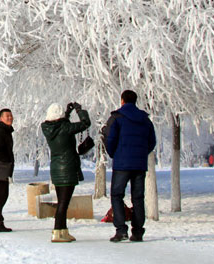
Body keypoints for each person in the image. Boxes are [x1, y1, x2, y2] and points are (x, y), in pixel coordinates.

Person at [102, 89, 157, 243]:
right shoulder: (145, 120)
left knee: (117, 195)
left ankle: (121, 230)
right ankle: (138, 231)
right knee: (138, 197)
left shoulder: (117, 117)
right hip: (139, 164)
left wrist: (115, 154)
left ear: (122, 101)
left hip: (122, 164)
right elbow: (151, 141)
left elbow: (110, 139)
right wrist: (141, 153)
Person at [41, 101, 92, 242]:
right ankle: (57, 232)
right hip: (68, 168)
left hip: (56, 168)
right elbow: (86, 123)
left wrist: (68, 114)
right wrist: (79, 110)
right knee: (63, 203)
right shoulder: (66, 127)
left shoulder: (47, 128)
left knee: (62, 202)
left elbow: (63, 125)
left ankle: (63, 231)